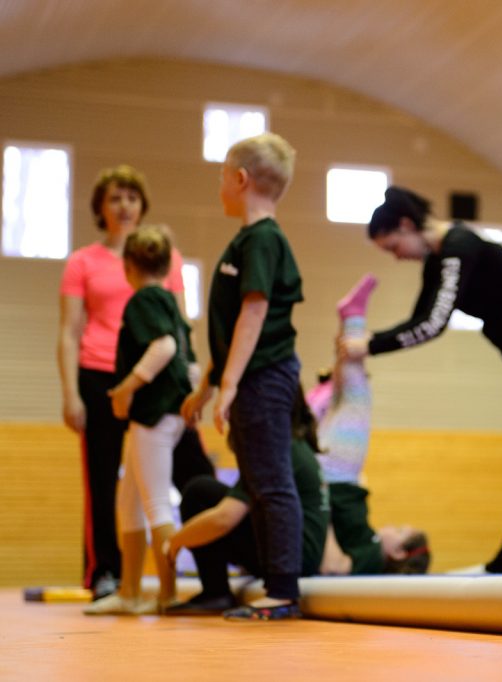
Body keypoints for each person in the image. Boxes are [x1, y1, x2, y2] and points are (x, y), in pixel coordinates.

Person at [340, 186, 502, 573]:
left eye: (393, 246)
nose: (397, 257)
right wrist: (373, 342)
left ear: (406, 225)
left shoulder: (458, 247)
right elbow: (420, 320)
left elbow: (433, 323)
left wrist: (370, 344)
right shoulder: (439, 261)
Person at [57, 165, 213, 600]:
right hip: (102, 375)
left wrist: (194, 385)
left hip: (158, 383)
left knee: (192, 473)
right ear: (100, 208)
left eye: (131, 197)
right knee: (109, 482)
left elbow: (177, 330)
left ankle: (209, 567)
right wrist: (71, 393)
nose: (124, 205)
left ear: (142, 205)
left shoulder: (165, 258)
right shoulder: (83, 261)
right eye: (115, 198)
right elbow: (69, 332)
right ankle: (108, 574)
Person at [165, 381, 429, 616]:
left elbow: (225, 517)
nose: (392, 528)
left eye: (399, 531)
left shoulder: (281, 449)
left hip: (295, 560)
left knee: (200, 492)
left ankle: (218, 592)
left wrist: (173, 543)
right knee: (207, 492)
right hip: (300, 556)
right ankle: (219, 590)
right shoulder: (296, 447)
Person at [181, 132, 305, 621]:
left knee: (271, 482)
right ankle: (276, 585)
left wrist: (229, 384)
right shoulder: (248, 240)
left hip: (265, 377)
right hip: (250, 375)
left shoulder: (263, 239)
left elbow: (253, 313)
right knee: (258, 482)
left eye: (220, 176)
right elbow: (231, 326)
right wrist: (208, 385)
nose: (218, 186)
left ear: (240, 179)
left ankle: (283, 591)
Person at [84, 226, 193, 615]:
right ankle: (130, 591)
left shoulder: (143, 300)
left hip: (153, 415)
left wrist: (126, 388)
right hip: (162, 415)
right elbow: (189, 360)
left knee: (156, 504)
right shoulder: (169, 302)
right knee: (129, 501)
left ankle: (168, 594)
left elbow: (164, 347)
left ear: (128, 266)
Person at [310, 274, 431, 578]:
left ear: (398, 553)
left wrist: (320, 500)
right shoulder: (368, 546)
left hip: (333, 477)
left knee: (355, 399)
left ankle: (353, 318)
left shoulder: (373, 559)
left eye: (399, 530)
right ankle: (349, 321)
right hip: (335, 479)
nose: (391, 526)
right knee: (344, 398)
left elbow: (333, 566)